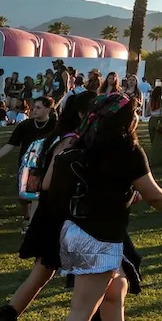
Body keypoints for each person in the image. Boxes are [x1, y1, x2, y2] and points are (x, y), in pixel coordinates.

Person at [58, 93, 162, 320]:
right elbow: (153, 194)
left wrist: (126, 194)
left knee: (115, 290)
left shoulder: (83, 141)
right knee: (81, 310)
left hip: (78, 229)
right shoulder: (127, 149)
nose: (137, 117)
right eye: (135, 113)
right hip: (98, 236)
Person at [0, 91, 95, 320]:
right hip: (59, 215)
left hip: (55, 213)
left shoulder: (62, 134)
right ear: (83, 113)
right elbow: (49, 181)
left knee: (43, 273)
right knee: (96, 276)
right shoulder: (70, 139)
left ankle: (8, 314)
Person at [0, 96, 56, 233]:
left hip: (45, 167)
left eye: (38, 108)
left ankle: (32, 225)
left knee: (37, 196)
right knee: (23, 197)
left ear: (48, 109)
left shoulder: (55, 125)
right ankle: (27, 218)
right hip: (25, 167)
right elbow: (10, 145)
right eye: (34, 107)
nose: (34, 110)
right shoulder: (25, 125)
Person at [147, 85, 162, 160]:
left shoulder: (150, 102)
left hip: (152, 120)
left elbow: (146, 114)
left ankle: (153, 156)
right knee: (159, 140)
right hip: (160, 120)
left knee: (153, 139)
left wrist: (152, 112)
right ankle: (158, 156)